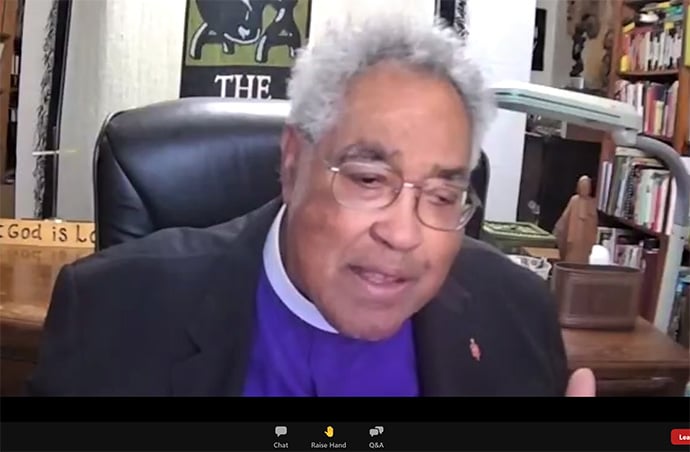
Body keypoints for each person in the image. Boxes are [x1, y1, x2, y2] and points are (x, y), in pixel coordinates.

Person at [28, 15, 595, 396]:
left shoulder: (516, 314)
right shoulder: (116, 309)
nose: (403, 235)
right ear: (294, 162)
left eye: (443, 195)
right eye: (370, 179)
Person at [553, 175, 599, 263]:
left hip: (586, 239)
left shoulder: (592, 203)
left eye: (587, 186)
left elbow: (594, 222)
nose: (585, 188)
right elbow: (565, 217)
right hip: (573, 238)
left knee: (583, 259)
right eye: (583, 186)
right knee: (571, 258)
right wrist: (559, 230)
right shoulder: (574, 200)